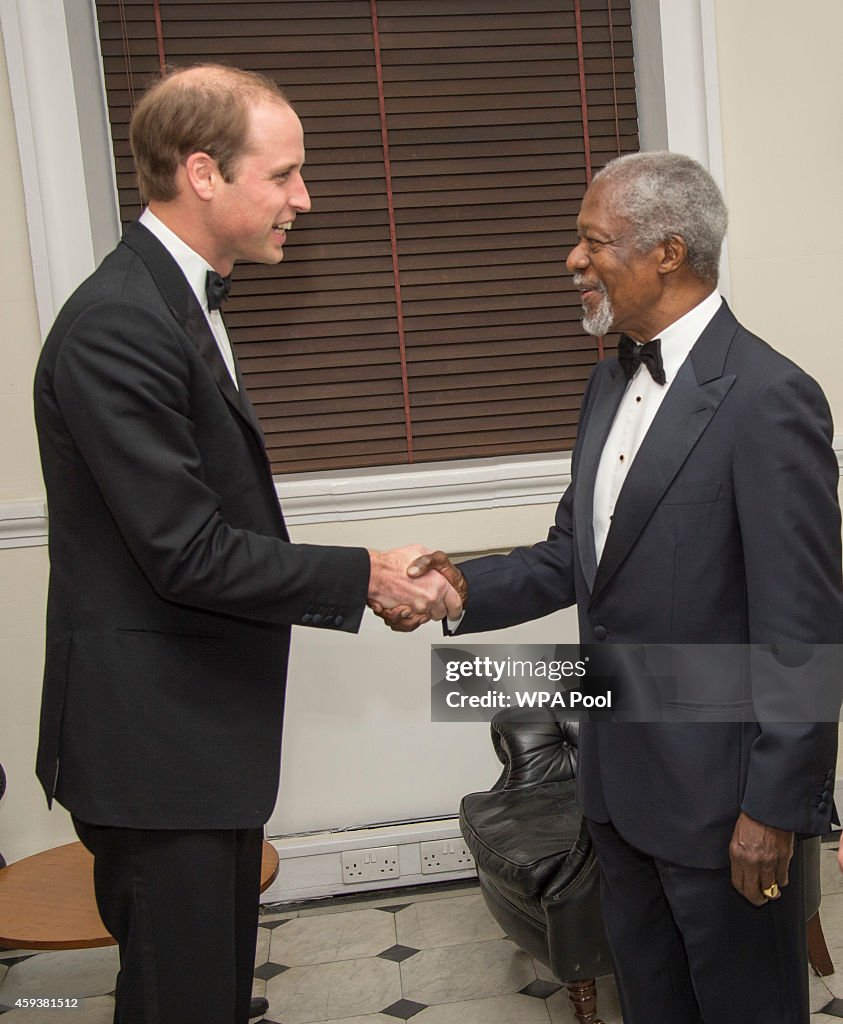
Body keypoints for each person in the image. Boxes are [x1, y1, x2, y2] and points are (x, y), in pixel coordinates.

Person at [33, 64, 461, 1024]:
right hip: (157, 755)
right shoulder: (118, 327)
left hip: (192, 745)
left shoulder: (175, 301)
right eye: (284, 175)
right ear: (202, 174)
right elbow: (186, 552)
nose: (303, 199)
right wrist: (365, 575)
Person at [376, 152, 843, 1023]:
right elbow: (573, 555)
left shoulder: (769, 399)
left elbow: (803, 628)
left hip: (721, 805)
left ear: (667, 253)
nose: (572, 260)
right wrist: (456, 592)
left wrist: (774, 808)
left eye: (592, 241)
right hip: (616, 793)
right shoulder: (606, 379)